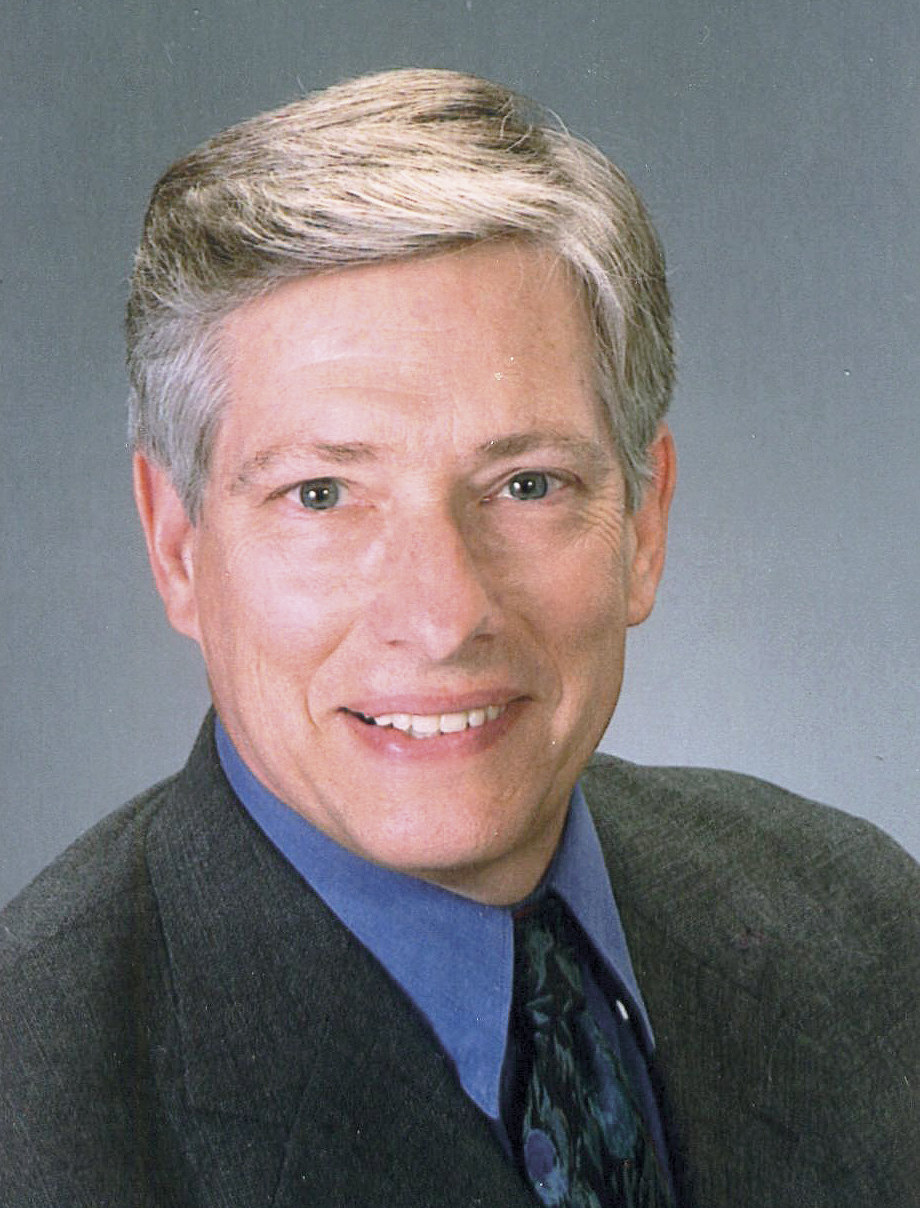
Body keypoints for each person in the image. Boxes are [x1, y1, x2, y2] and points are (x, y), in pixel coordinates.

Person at [1, 68, 917, 1208]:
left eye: (526, 484)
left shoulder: (867, 926)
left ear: (643, 523)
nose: (440, 618)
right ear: (178, 545)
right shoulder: (32, 1116)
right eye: (321, 494)